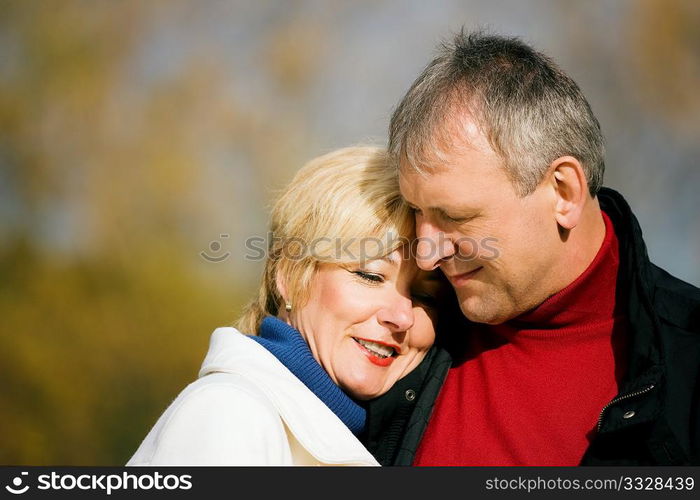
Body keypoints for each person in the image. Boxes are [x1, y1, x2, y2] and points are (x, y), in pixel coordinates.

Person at [366, 31, 700, 466]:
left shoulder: (688, 364)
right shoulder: (402, 325)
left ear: (563, 191)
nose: (426, 253)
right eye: (416, 211)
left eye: (456, 216)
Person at [126, 146, 450, 466]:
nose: (401, 316)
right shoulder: (230, 413)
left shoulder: (373, 439)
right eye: (370, 275)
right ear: (290, 276)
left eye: (425, 297)